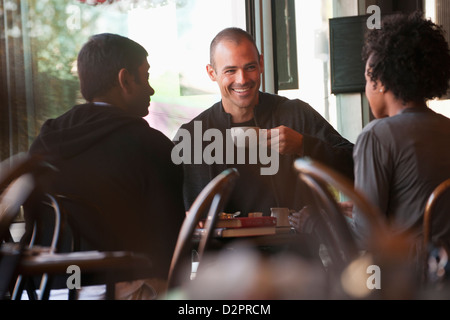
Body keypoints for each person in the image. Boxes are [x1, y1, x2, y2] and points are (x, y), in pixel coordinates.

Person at [26, 33, 185, 299]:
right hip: (115, 290)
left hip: (40, 289)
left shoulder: (43, 143)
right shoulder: (151, 147)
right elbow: (171, 248)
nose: (151, 89)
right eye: (145, 77)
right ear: (125, 79)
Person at [173, 27, 354, 217]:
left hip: (293, 246)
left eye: (250, 67)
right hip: (220, 247)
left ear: (261, 63)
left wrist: (303, 144)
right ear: (212, 73)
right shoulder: (193, 135)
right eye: (230, 71)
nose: (242, 80)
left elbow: (357, 166)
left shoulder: (295, 114)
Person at [351, 11, 450, 251]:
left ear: (380, 81)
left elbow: (366, 235)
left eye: (367, 78)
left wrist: (315, 220)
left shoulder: (376, 136)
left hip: (409, 280)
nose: (366, 90)